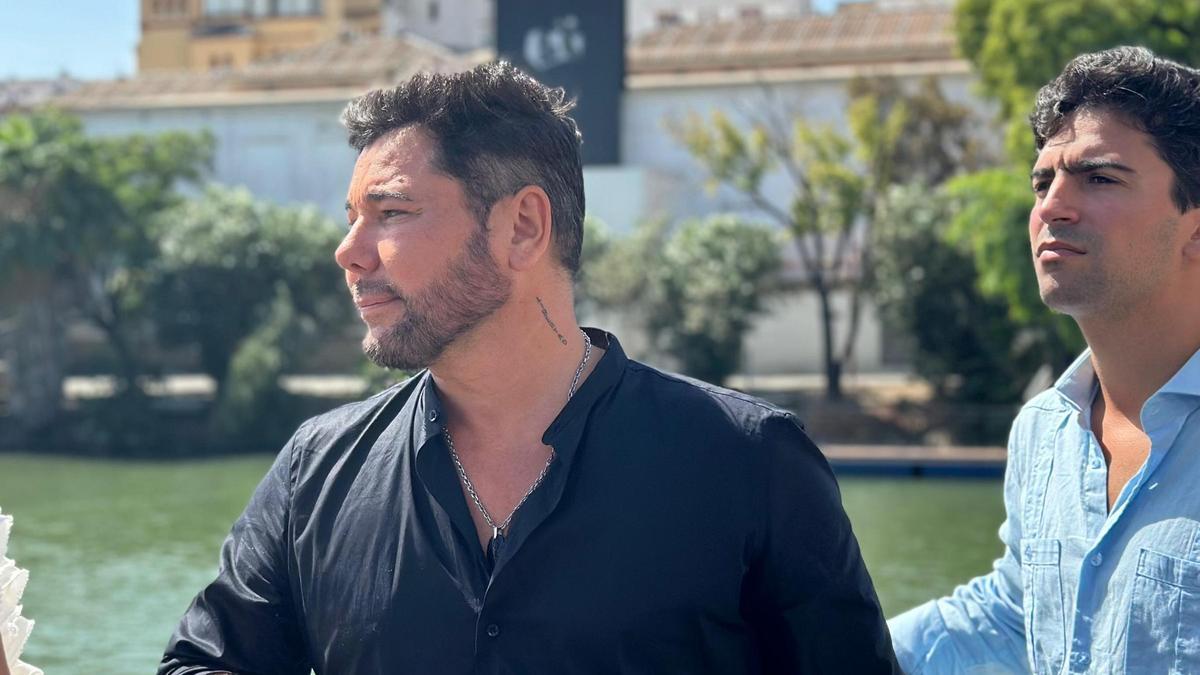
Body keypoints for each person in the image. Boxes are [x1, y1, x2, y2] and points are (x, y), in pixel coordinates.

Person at [159, 62, 898, 674]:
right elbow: (202, 662)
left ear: (522, 227)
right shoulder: (314, 471)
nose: (348, 251)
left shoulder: (750, 463)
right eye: (351, 216)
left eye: (390, 213)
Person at [889, 46, 1200, 674]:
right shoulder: (1045, 429)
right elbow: (1012, 615)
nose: (1051, 206)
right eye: (1043, 180)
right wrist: (808, 642)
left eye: (1100, 178)